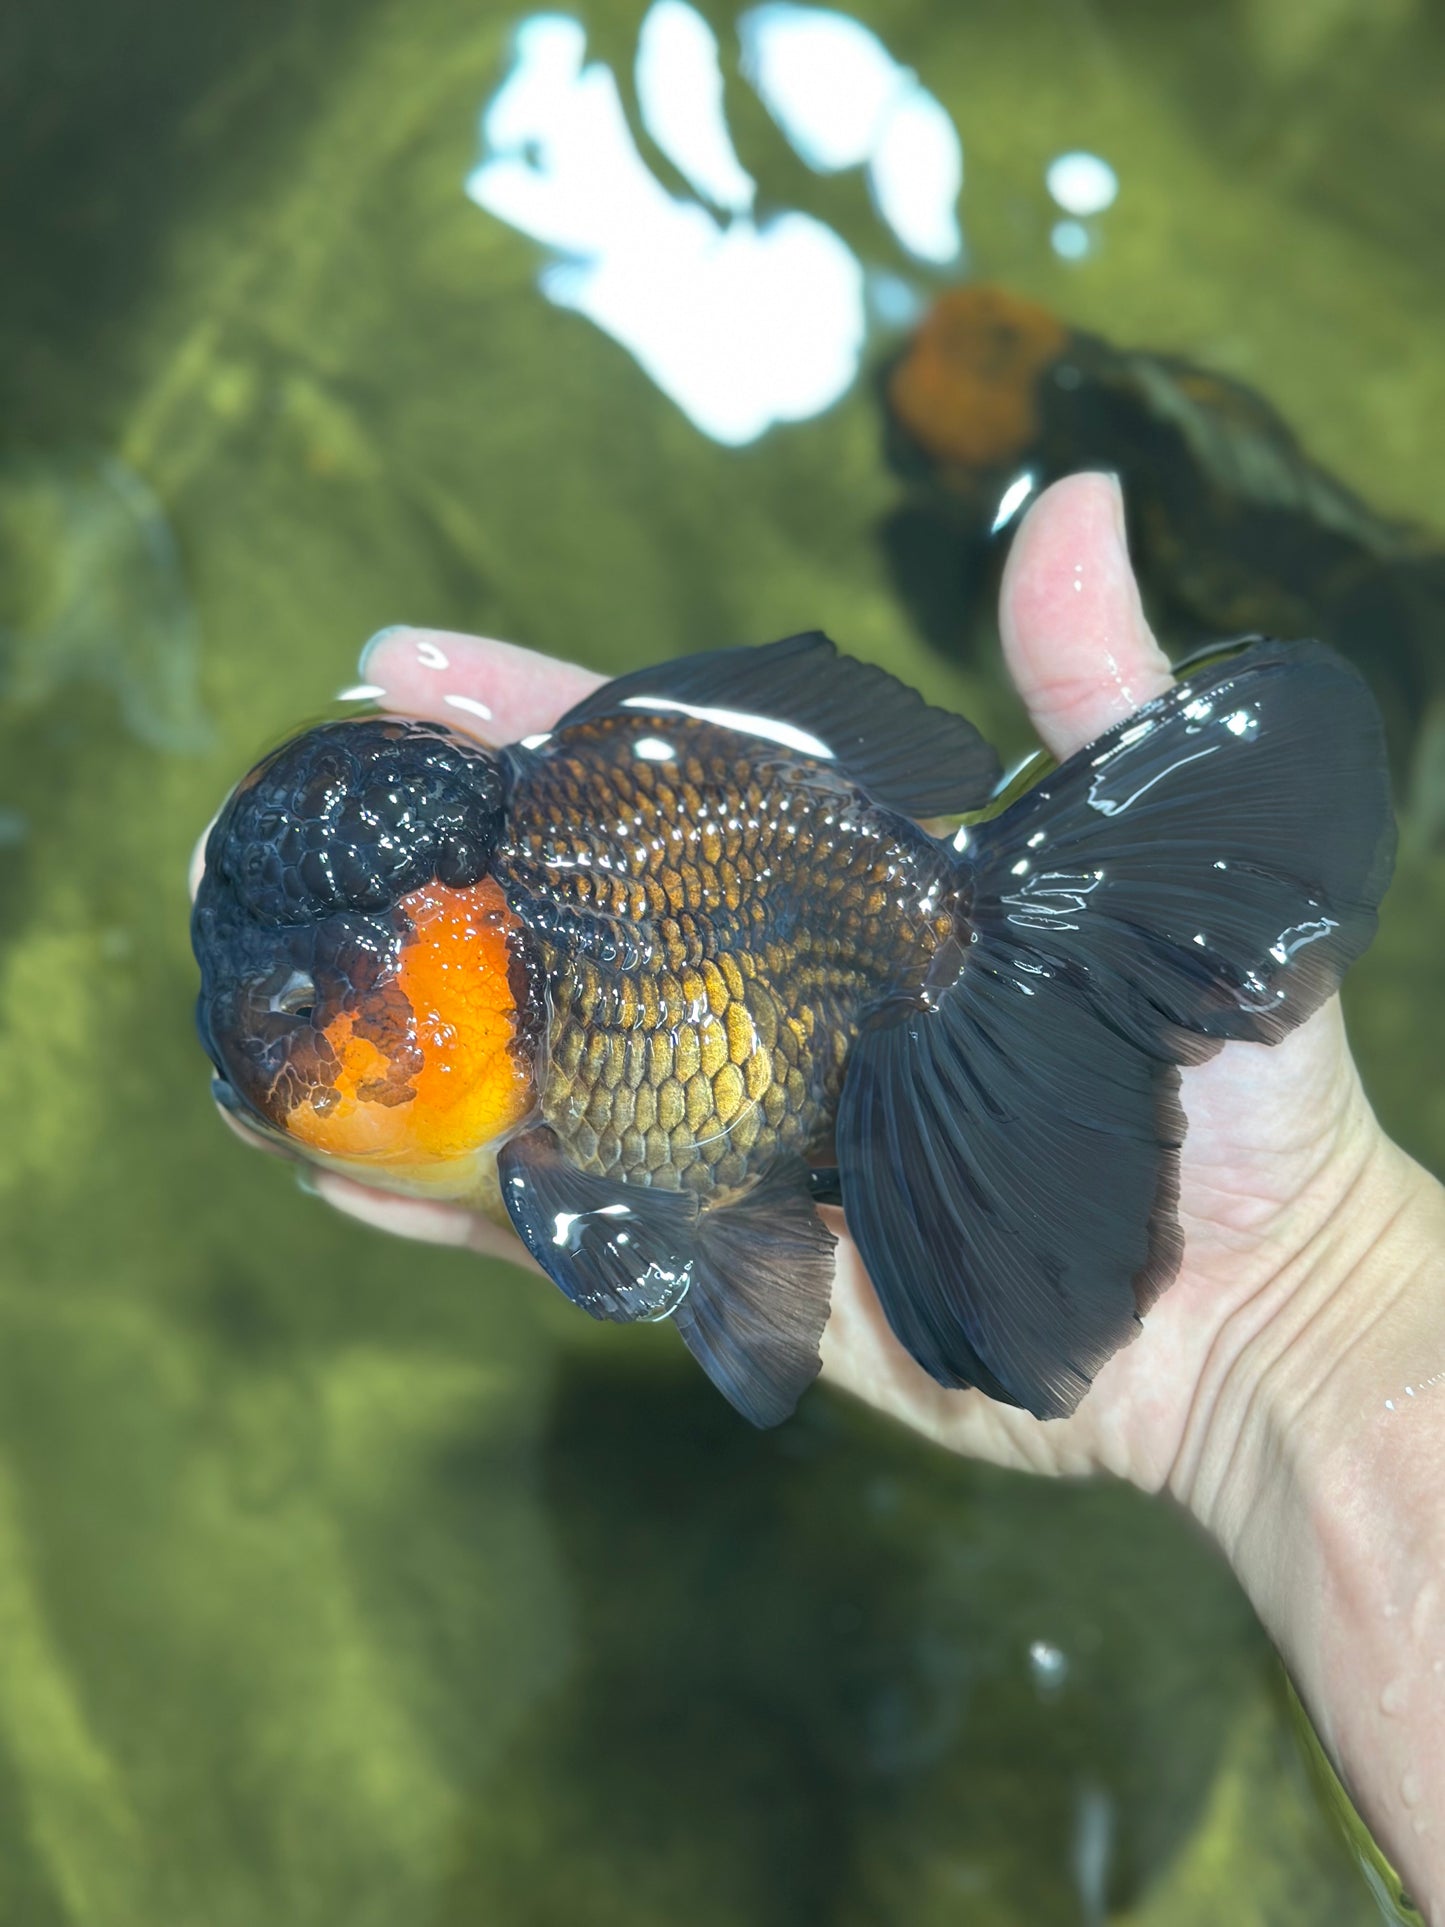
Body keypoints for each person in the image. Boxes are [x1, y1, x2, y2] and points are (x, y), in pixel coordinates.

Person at [223, 472, 1445, 1908]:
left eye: (307, 1009)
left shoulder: (568, 991)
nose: (280, 1046)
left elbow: (641, 1256)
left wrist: (1311, 1289)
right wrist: (1308, 1325)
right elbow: (684, 1264)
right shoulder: (517, 1077)